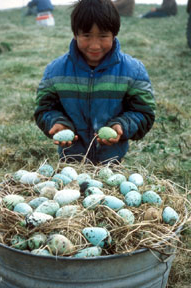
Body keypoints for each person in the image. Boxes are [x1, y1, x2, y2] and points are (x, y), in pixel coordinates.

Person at [34, 0, 156, 165]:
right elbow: (44, 109)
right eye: (86, 35)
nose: (94, 45)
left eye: (103, 36)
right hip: (70, 164)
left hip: (112, 163)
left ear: (114, 34)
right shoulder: (55, 71)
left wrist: (122, 126)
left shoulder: (133, 71)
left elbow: (144, 113)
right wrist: (58, 123)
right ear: (75, 33)